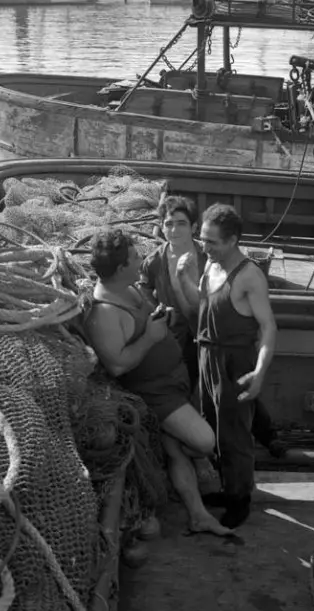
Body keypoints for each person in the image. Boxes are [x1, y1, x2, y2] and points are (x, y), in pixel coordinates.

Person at [83, 227, 231, 537]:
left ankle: (198, 515)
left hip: (174, 380)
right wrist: (151, 337)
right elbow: (118, 365)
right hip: (155, 394)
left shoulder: (131, 288)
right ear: (121, 267)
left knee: (176, 448)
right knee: (204, 441)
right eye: (135, 257)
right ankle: (188, 460)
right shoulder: (105, 313)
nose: (141, 260)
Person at [139, 195, 279, 451]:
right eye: (168, 224)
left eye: (181, 223)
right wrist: (160, 307)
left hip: (217, 338)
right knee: (199, 394)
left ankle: (267, 436)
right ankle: (203, 447)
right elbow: (145, 290)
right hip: (182, 339)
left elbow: (230, 302)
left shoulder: (211, 259)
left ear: (193, 227)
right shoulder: (155, 261)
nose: (173, 230)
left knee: (237, 396)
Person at [196, 203, 278, 529]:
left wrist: (259, 373)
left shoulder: (249, 276)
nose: (205, 246)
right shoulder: (209, 265)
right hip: (207, 358)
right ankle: (227, 487)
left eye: (212, 242)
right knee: (212, 430)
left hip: (235, 363)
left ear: (232, 241)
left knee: (235, 436)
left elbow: (269, 327)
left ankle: (240, 499)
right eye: (202, 239)